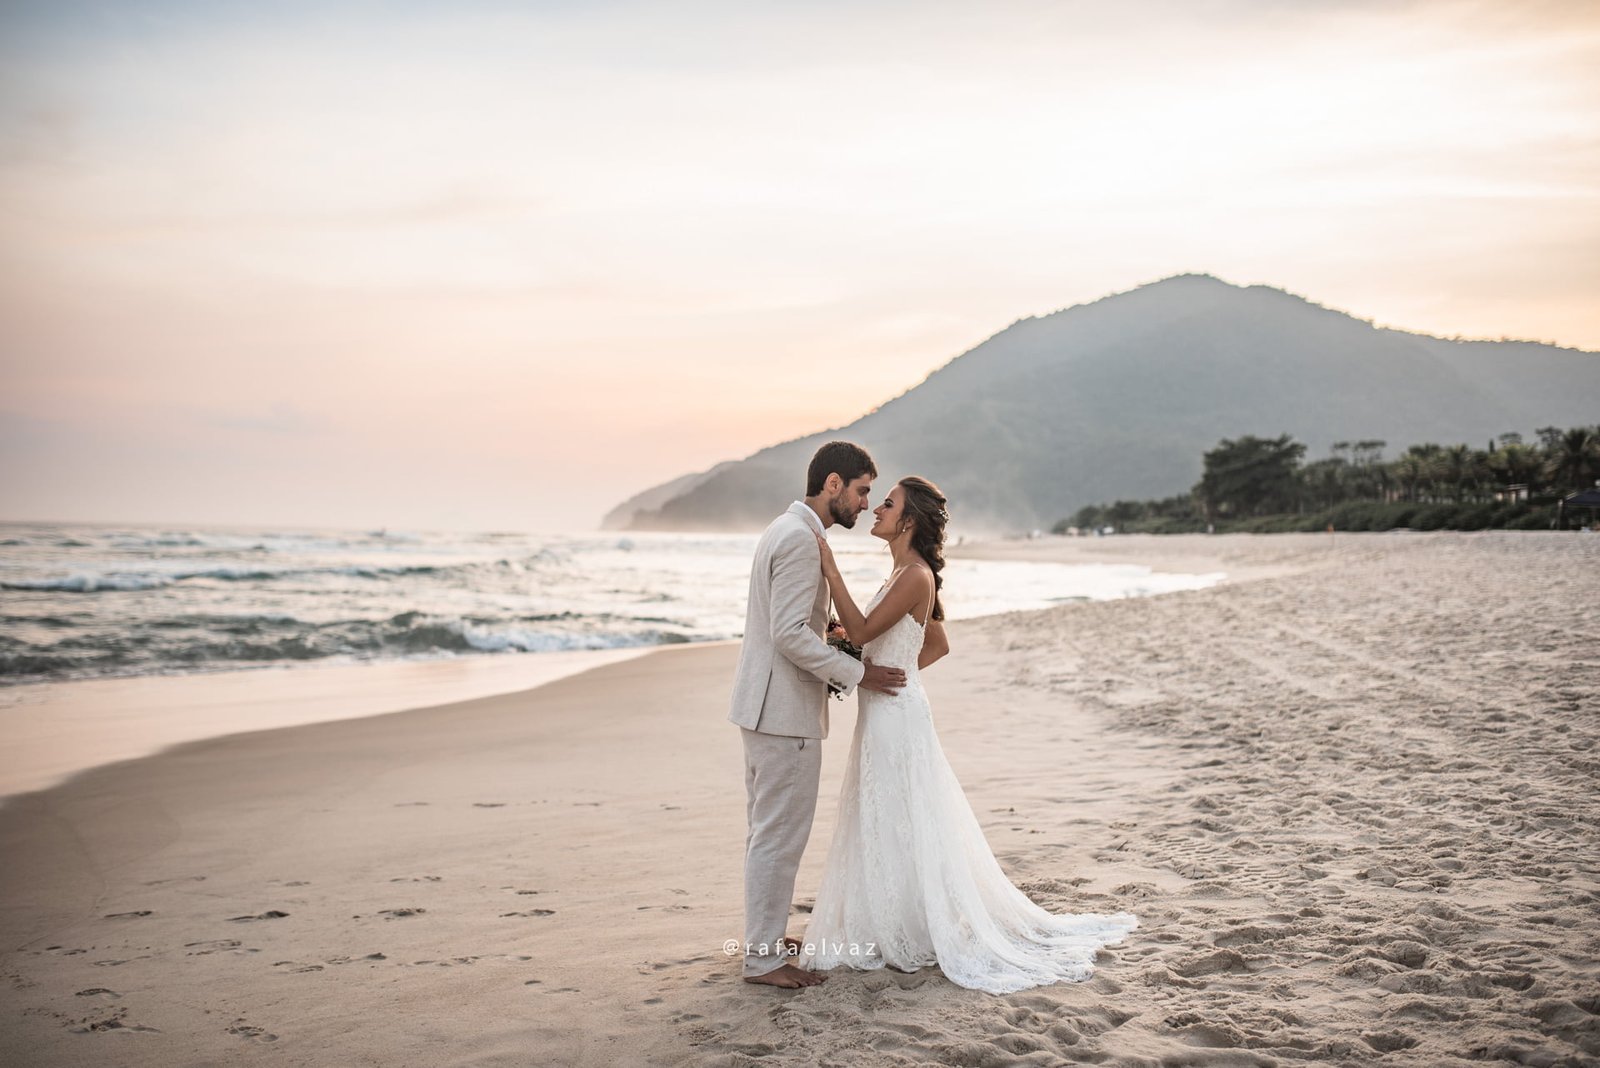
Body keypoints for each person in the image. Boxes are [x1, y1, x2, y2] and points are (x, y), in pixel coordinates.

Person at [801, 476, 1139, 994]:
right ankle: (892, 922)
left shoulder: (913, 575)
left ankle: (907, 929)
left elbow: (866, 630)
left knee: (897, 814)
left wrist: (832, 572)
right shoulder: (901, 573)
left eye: (886, 505)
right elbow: (936, 643)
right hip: (891, 708)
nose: (876, 510)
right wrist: (891, 666)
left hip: (896, 717)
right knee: (887, 815)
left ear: (908, 521)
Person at [728, 441, 907, 989]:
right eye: (861, 491)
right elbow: (787, 634)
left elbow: (790, 625)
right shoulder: (802, 539)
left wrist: (832, 638)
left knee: (770, 832)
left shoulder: (785, 529)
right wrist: (858, 673)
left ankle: (766, 935)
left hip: (763, 706)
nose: (864, 503)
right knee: (780, 837)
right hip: (782, 712)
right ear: (833, 485)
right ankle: (761, 958)